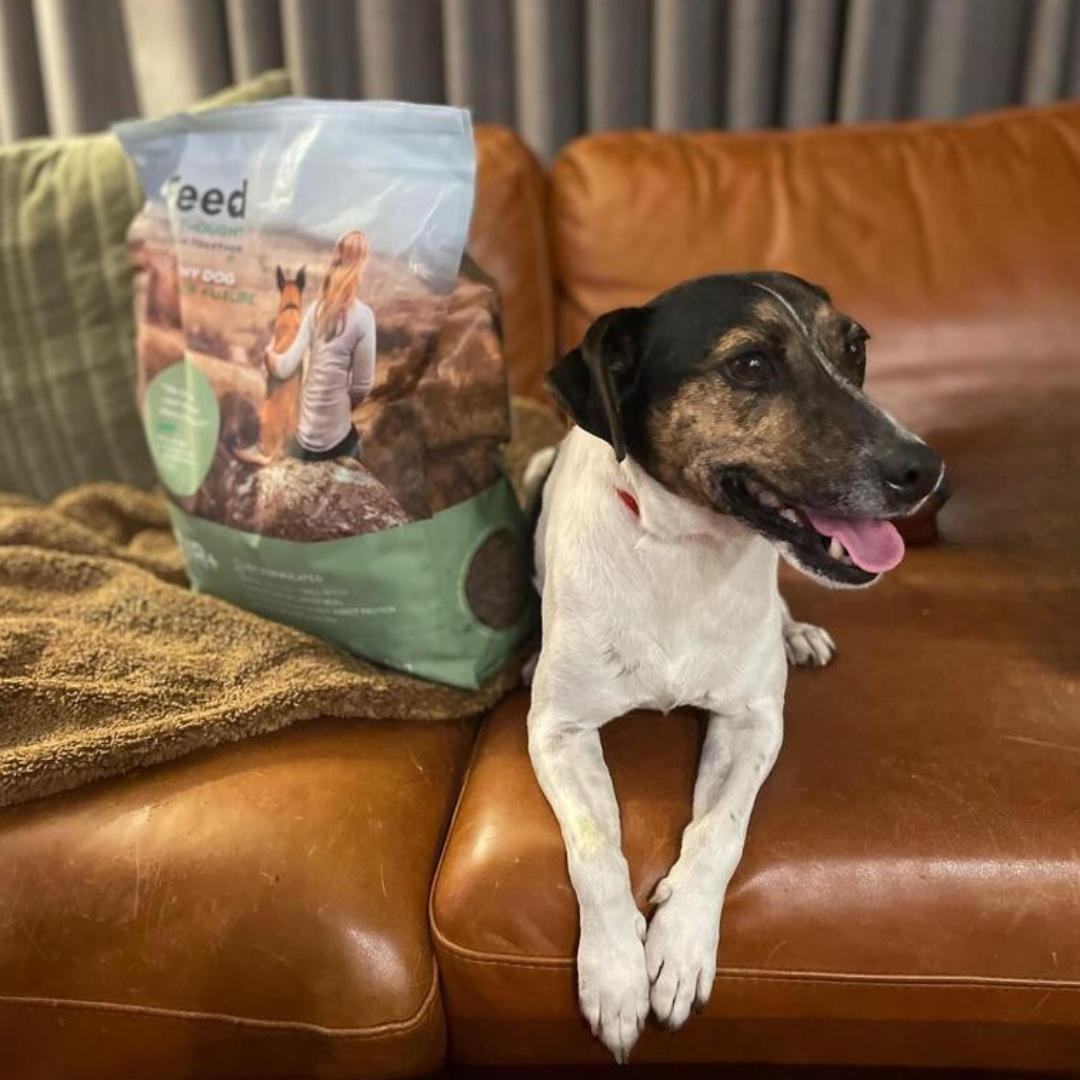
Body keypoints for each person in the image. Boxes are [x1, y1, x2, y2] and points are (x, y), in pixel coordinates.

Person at [266, 230, 375, 461]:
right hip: (337, 441)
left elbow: (284, 367)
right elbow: (362, 385)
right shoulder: (364, 317)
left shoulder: (315, 310)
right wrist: (342, 409)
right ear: (362, 265)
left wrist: (269, 354)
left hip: (304, 440)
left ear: (335, 258)